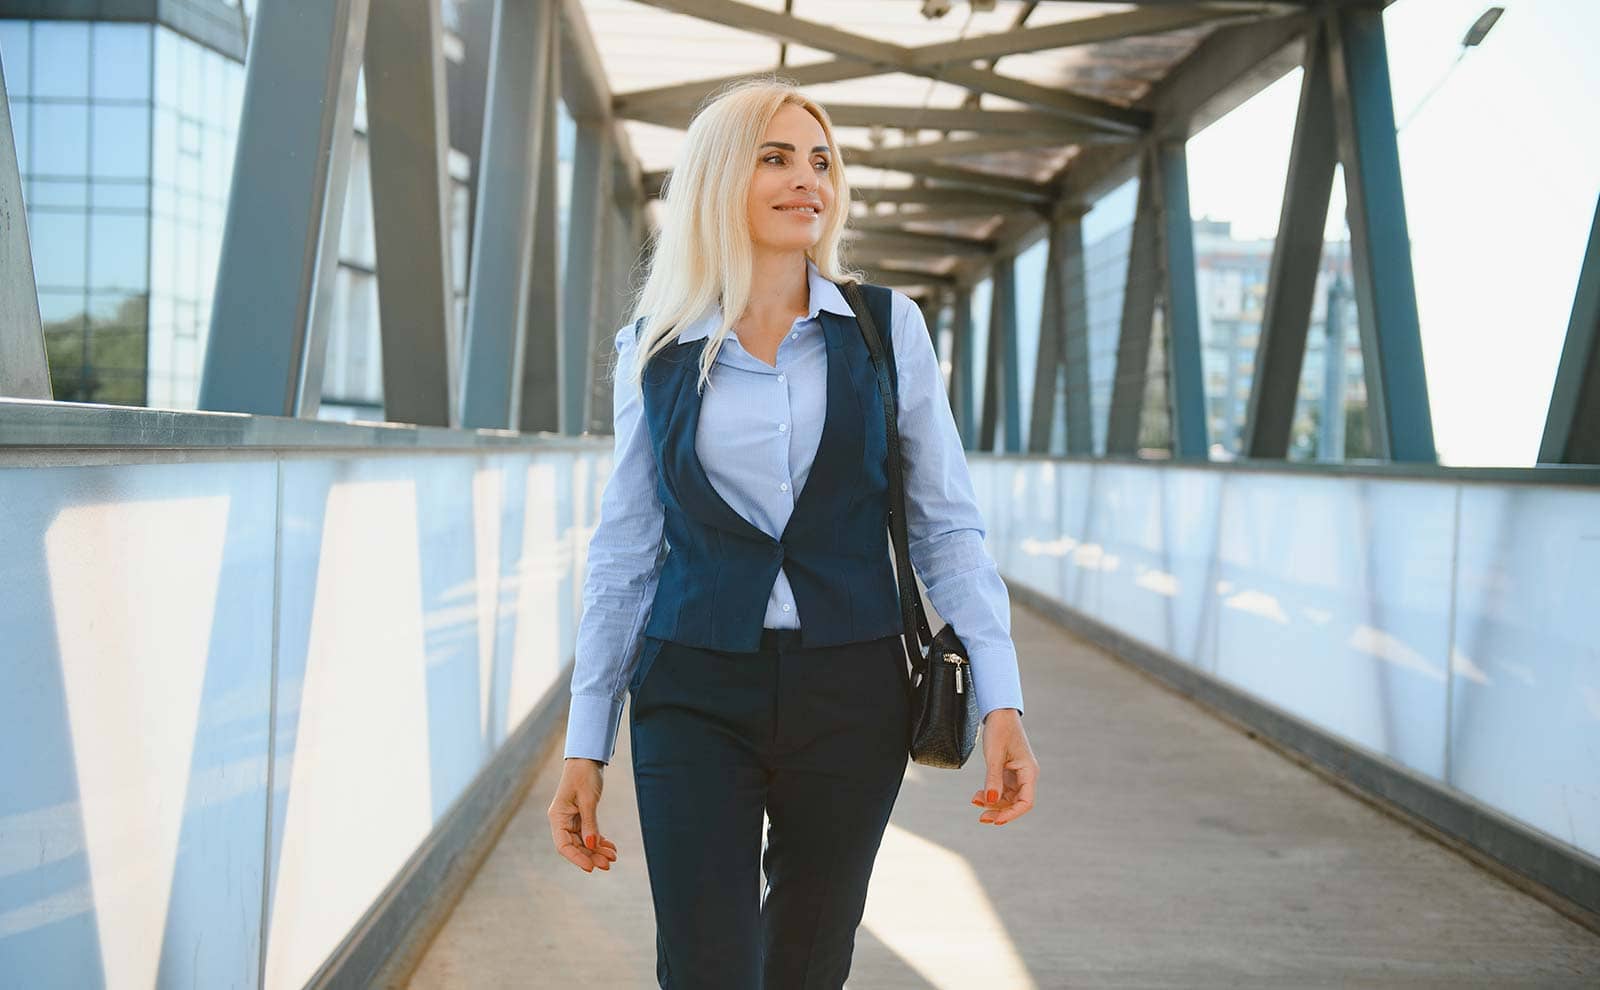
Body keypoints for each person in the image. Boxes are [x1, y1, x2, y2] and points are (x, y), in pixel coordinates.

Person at [546, 79, 1039, 988]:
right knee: (706, 968)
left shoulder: (889, 331)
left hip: (853, 691)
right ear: (718, 178)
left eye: (820, 160)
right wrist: (587, 742)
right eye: (774, 157)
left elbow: (946, 527)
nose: (806, 177)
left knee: (809, 965)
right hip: (691, 686)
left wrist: (1000, 698)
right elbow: (623, 552)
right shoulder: (652, 349)